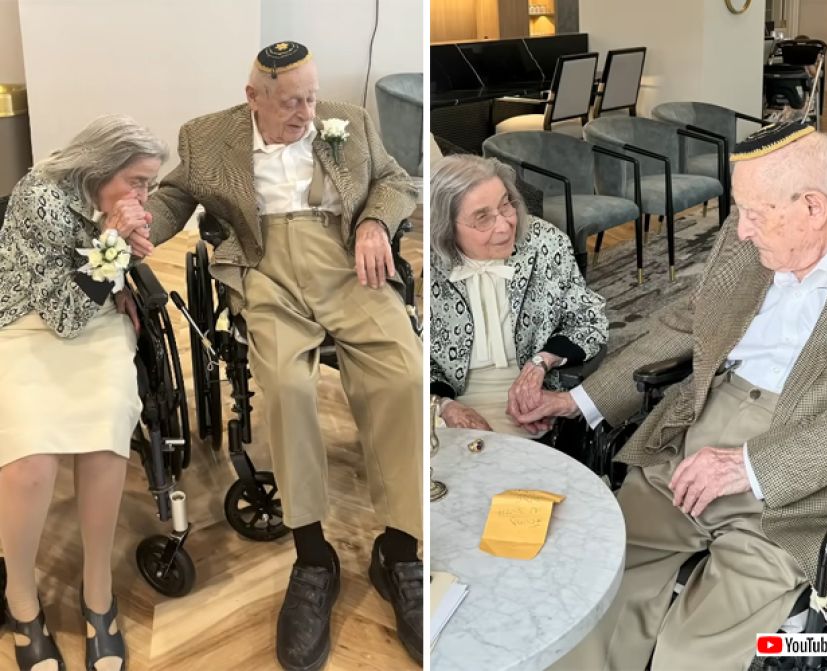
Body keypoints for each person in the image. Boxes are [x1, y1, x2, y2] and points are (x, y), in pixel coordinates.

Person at [516, 121, 827, 670]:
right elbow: (687, 323)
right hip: (692, 446)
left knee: (690, 653)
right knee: (594, 595)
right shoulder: (747, 239)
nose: (741, 230)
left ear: (814, 208)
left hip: (794, 487)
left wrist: (751, 465)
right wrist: (579, 400)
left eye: (754, 214)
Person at [142, 42, 422, 670]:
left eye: (312, 98)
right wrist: (137, 229)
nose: (307, 113)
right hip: (265, 265)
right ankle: (314, 558)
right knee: (288, 389)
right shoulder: (208, 136)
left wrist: (375, 223)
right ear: (254, 98)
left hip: (345, 258)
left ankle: (400, 552)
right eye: (292, 102)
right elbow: (173, 198)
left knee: (404, 375)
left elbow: (394, 180)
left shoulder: (350, 119)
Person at [0, 114, 166, 671]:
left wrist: (123, 259)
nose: (144, 196)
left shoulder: (114, 202)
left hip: (97, 322)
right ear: (100, 167)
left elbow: (105, 280)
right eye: (137, 182)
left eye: (149, 184)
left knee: (103, 444)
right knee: (30, 464)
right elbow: (63, 319)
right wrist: (114, 242)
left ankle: (98, 592)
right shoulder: (39, 198)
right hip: (27, 325)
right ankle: (22, 600)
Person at [430, 155, 608, 438]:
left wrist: (542, 362)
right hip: (446, 406)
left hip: (531, 399)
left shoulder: (545, 242)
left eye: (505, 205)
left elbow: (589, 320)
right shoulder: (430, 266)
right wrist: (442, 405)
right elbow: (411, 357)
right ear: (447, 227)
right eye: (482, 218)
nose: (504, 225)